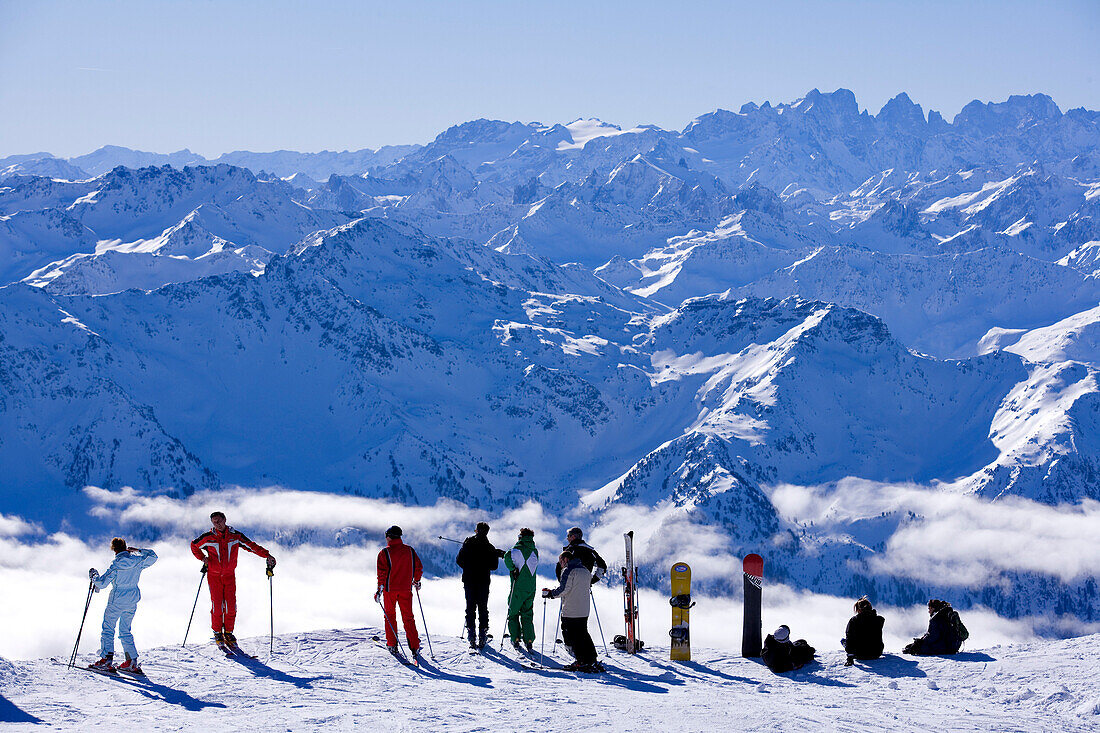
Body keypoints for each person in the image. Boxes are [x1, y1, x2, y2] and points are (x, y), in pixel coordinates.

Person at [190, 511, 275, 650]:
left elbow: (251, 546)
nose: (217, 524)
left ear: (225, 520)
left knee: (230, 605)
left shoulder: (235, 536)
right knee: (217, 605)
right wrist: (203, 558)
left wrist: (267, 555)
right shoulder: (208, 537)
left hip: (229, 575)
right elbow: (194, 545)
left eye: (219, 520)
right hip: (214, 575)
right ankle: (217, 632)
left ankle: (228, 632)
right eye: (214, 522)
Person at [88, 538, 158, 673]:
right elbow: (153, 556)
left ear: (113, 549)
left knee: (108, 629)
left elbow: (102, 584)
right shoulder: (138, 561)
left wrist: (94, 577)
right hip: (132, 599)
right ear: (126, 547)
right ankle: (131, 661)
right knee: (125, 630)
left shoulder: (116, 565)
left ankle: (106, 660)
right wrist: (137, 550)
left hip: (117, 600)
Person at [542, 549, 603, 673]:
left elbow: (564, 589)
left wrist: (550, 594)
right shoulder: (585, 570)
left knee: (574, 636)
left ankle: (581, 661)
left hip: (571, 609)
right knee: (583, 634)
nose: (560, 564)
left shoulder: (569, 570)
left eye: (561, 561)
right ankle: (591, 658)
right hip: (584, 609)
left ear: (566, 559)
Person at [376, 525, 423, 658]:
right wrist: (417, 581)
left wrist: (378, 591)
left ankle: (392, 645)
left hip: (389, 590)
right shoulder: (409, 550)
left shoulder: (384, 553)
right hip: (406, 589)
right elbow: (418, 567)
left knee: (390, 617)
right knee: (408, 618)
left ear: (389, 536)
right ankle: (414, 646)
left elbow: (382, 574)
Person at [456, 521, 504, 650]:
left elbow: (459, 560)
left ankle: (471, 634)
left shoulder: (468, 544)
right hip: (483, 581)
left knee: (470, 606)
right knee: (483, 607)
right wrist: (494, 555)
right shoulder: (490, 547)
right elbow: (494, 567)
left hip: (469, 579)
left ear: (476, 530)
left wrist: (468, 567)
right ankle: (483, 634)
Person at [503, 527, 539, 652]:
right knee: (527, 614)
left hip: (517, 588)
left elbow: (508, 560)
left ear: (521, 537)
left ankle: (516, 638)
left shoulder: (515, 550)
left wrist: (513, 568)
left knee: (513, 613)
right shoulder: (535, 551)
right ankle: (529, 640)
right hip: (531, 588)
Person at [842, 596, 884, 665]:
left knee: (843, 640)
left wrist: (850, 656)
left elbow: (850, 637)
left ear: (858, 609)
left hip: (859, 654)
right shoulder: (879, 620)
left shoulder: (854, 620)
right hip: (876, 652)